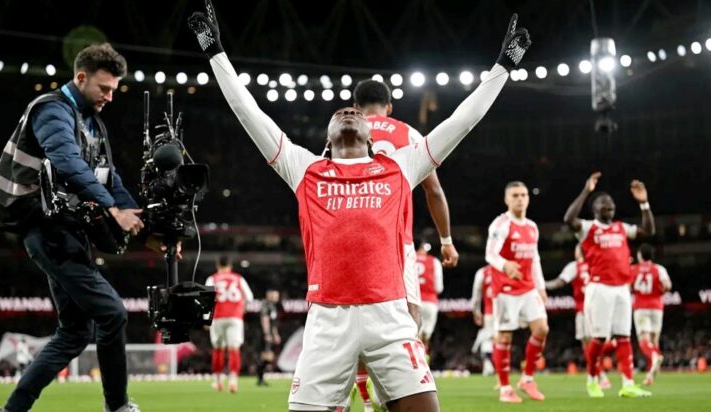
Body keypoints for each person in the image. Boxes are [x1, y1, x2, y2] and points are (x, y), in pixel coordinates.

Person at [188, 2, 530, 410]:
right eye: (341, 112)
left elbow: (462, 121)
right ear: (327, 139)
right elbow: (247, 111)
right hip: (327, 323)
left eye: (354, 112)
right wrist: (215, 51)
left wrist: (503, 66)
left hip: (390, 318)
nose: (349, 112)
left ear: (371, 136)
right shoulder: (305, 169)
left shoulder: (400, 167)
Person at [0, 43, 151, 412]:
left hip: (64, 232)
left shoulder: (91, 123)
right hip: (46, 231)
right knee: (112, 313)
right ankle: (117, 406)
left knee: (76, 332)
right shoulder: (51, 110)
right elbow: (67, 162)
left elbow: (109, 179)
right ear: (80, 77)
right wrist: (112, 210)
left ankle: (11, 410)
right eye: (103, 88)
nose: (110, 97)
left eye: (114, 90)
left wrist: (147, 226)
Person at [350, 78, 458, 412]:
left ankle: (361, 392)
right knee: (410, 320)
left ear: (355, 107)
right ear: (389, 107)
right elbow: (433, 191)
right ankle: (399, 392)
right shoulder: (408, 134)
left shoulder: (343, 132)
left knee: (352, 320)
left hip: (349, 242)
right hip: (394, 241)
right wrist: (446, 241)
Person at [564, 171, 655, 398]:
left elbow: (649, 231)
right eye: (604, 203)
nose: (609, 206)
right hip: (599, 288)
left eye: (611, 204)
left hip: (622, 288)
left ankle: (628, 384)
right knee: (599, 338)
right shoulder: (588, 228)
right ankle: (592, 380)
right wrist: (586, 191)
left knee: (624, 336)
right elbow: (569, 220)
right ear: (595, 208)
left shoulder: (621, 228)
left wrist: (644, 204)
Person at [485, 181, 549, 403]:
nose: (520, 199)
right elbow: (490, 254)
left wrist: (541, 287)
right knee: (505, 336)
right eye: (515, 195)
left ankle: (527, 379)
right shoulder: (501, 224)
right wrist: (505, 265)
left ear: (528, 198)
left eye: (523, 195)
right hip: (505, 289)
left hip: (528, 287)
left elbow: (535, 258)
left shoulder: (532, 226)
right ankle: (505, 389)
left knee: (541, 329)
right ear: (507, 199)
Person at [545, 245, 611, 389]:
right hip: (598, 308)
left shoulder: (575, 266)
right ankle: (598, 373)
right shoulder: (596, 264)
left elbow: (560, 282)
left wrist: (542, 285)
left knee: (587, 346)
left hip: (583, 310)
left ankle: (600, 376)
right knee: (596, 343)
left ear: (579, 252)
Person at [205, 256, 253, 393]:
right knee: (234, 349)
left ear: (217, 266)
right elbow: (249, 297)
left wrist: (206, 319)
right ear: (230, 266)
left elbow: (206, 299)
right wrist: (242, 309)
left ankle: (218, 381)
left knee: (218, 349)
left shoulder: (212, 279)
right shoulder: (238, 278)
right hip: (235, 317)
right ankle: (233, 380)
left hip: (218, 317)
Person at [630, 243, 671, 385]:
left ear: (640, 255)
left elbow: (628, 286)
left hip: (641, 307)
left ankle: (655, 358)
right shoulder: (659, 269)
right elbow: (667, 285)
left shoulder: (633, 269)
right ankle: (651, 375)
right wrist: (659, 292)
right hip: (657, 307)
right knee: (654, 341)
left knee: (644, 341)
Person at [415, 240, 444, 355]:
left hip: (413, 301)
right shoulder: (434, 261)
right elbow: (439, 288)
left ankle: (415, 358)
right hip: (430, 302)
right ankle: (423, 357)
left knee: (414, 334)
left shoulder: (409, 258)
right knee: (426, 335)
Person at [470, 265, 495, 376]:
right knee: (502, 339)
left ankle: (488, 364)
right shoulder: (506, 269)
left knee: (487, 339)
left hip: (489, 313)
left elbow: (476, 294)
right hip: (504, 312)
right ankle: (498, 366)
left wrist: (476, 311)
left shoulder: (482, 272)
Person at [256, 288, 281, 387]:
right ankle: (260, 379)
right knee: (267, 356)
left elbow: (273, 323)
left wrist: (275, 334)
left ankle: (260, 379)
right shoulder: (266, 305)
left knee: (269, 357)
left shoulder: (273, 306)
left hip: (269, 334)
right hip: (264, 334)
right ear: (269, 295)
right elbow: (265, 319)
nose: (277, 297)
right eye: (275, 295)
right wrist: (267, 334)